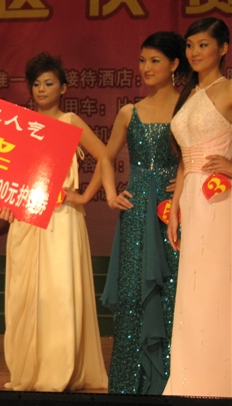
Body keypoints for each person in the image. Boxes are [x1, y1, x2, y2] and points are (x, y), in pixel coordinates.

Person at [1, 52, 108, 392]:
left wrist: (85, 196)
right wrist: (5, 200)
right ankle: (29, 370)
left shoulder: (70, 120)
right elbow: (9, 169)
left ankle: (59, 368)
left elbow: (104, 155)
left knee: (59, 292)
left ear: (63, 87)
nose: (42, 89)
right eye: (36, 84)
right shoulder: (21, 122)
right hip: (26, 219)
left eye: (49, 83)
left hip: (61, 219)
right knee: (25, 295)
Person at [100, 32, 186, 394]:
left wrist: (186, 180)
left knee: (174, 293)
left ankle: (174, 381)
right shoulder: (129, 112)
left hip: (174, 211)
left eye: (155, 61)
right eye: (142, 60)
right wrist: (110, 195)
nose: (146, 68)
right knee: (135, 295)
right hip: (136, 216)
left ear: (174, 64)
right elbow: (105, 157)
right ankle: (128, 385)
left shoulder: (188, 107)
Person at [164, 17, 231, 398]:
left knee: (216, 286)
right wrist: (175, 209)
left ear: (223, 49)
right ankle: (191, 378)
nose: (194, 52)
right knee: (191, 290)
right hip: (192, 196)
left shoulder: (228, 90)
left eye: (203, 45)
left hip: (219, 198)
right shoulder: (189, 93)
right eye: (190, 45)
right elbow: (184, 159)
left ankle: (219, 380)